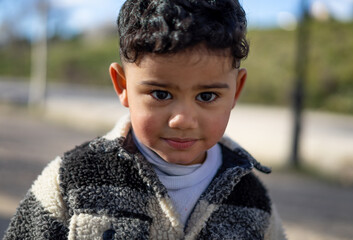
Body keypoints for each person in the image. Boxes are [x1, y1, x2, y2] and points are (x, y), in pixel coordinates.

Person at [4, 0, 286, 239]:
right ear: (122, 85)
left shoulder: (253, 200)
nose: (182, 120)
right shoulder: (71, 180)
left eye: (207, 96)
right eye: (161, 94)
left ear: (236, 90)